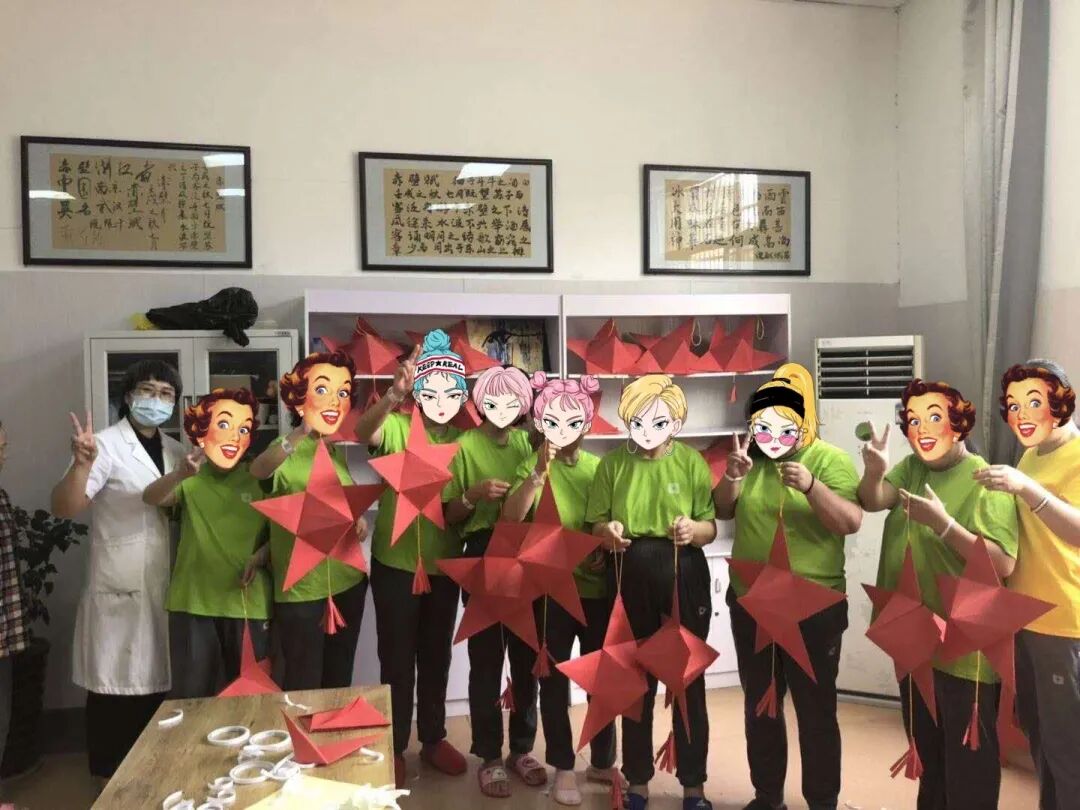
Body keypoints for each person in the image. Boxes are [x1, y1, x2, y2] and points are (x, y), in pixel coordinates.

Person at [860, 378, 1017, 810]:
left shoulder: (985, 479)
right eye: (914, 422)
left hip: (964, 647)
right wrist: (874, 470)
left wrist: (944, 525)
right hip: (913, 635)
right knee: (929, 756)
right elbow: (873, 500)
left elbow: (1003, 563)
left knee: (968, 766)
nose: (923, 431)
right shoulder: (913, 467)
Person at [714, 363, 861, 810]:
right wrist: (733, 476)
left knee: (816, 708)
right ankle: (767, 795)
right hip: (752, 601)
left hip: (813, 606)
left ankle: (823, 801)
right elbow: (722, 511)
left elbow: (850, 521)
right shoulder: (753, 459)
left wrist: (812, 486)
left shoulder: (829, 459)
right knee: (761, 704)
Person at [586, 374, 717, 810]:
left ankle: (694, 786)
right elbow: (594, 525)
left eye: (658, 422)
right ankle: (638, 781)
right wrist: (608, 531)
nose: (647, 431)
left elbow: (710, 526)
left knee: (687, 681)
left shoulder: (692, 463)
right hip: (628, 574)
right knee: (633, 680)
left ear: (675, 423)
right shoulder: (611, 465)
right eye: (638, 421)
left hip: (683, 574)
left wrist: (693, 530)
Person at [50, 360, 185, 781]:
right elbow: (65, 507)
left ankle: (152, 782)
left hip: (165, 582)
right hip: (120, 584)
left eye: (166, 393)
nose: (157, 400)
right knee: (115, 690)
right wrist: (80, 465)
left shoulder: (177, 451)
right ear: (128, 396)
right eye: (148, 390)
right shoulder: (104, 446)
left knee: (158, 688)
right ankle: (110, 787)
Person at [354, 331, 469, 788]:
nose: (440, 399)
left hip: (444, 566)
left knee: (437, 656)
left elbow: (461, 505)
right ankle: (396, 745)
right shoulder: (398, 426)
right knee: (396, 660)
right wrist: (392, 395)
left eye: (449, 391)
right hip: (395, 566)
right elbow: (363, 433)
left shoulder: (464, 442)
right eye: (430, 389)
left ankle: (434, 738)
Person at [502, 372, 616, 807]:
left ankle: (603, 761)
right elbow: (512, 518)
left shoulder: (598, 468)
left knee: (602, 679)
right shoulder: (530, 465)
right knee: (552, 681)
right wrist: (536, 473)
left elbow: (605, 520)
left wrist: (603, 542)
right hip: (549, 594)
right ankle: (563, 766)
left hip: (595, 591)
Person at [973, 359, 1080, 810]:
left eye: (1034, 402)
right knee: (1040, 738)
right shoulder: (1032, 454)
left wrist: (1027, 489)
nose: (1022, 414)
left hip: (1064, 622)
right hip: (1026, 619)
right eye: (1014, 405)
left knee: (1068, 748)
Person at [443, 364, 539, 800]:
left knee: (526, 657)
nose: (504, 409)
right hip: (481, 553)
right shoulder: (464, 445)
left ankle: (522, 748)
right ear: (481, 404)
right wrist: (473, 494)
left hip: (524, 554)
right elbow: (449, 515)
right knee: (486, 660)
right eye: (495, 401)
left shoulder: (525, 442)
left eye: (512, 401)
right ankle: (488, 755)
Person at [249, 350, 369, 691]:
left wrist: (358, 520)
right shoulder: (285, 448)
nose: (333, 401)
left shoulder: (333, 450)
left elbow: (343, 503)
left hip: (347, 582)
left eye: (341, 393)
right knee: (303, 681)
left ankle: (334, 727)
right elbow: (258, 470)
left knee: (338, 677)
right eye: (322, 390)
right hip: (301, 590)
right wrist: (300, 433)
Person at [141, 388, 272, 698]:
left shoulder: (260, 477)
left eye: (243, 429)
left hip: (247, 601)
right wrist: (179, 474)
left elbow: (281, 531)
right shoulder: (191, 479)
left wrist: (261, 555)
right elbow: (151, 497)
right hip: (194, 602)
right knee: (193, 698)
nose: (234, 436)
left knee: (251, 698)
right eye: (223, 425)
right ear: (202, 431)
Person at [0, 420, 29, 786]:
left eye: (3, 448)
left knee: (2, 719)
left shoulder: (2, 498)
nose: (2, 457)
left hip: (4, 631)